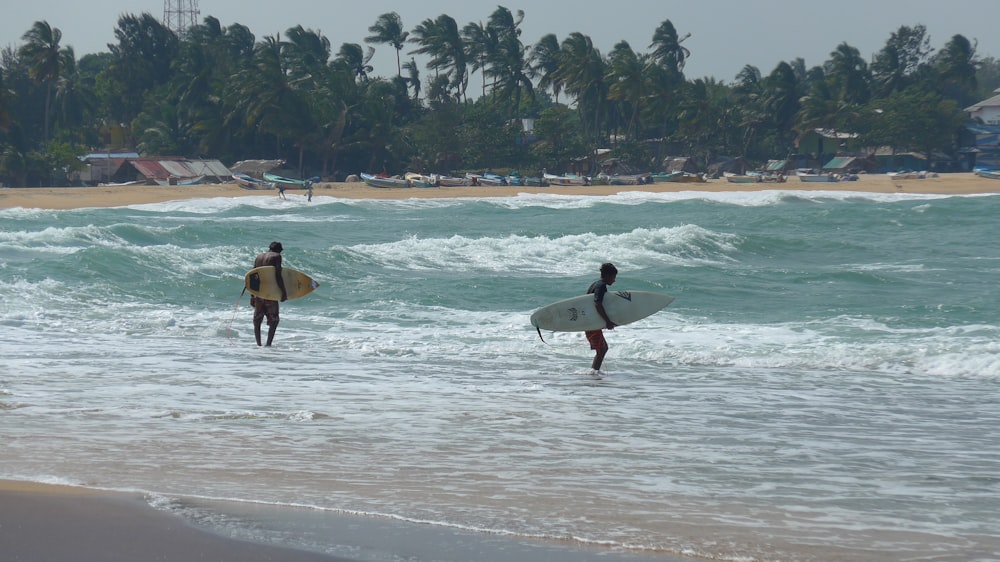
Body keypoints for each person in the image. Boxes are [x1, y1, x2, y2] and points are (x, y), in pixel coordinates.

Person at [585, 262, 618, 378]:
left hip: (590, 322)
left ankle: (594, 372)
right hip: (591, 323)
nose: (614, 280)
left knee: (602, 348)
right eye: (614, 277)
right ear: (608, 276)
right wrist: (607, 321)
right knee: (602, 348)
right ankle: (593, 373)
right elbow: (597, 303)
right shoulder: (601, 286)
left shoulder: (595, 284)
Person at [252, 241, 288, 346]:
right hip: (270, 293)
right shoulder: (277, 256)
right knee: (274, 320)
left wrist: (252, 295)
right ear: (279, 250)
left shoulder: (259, 257)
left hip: (259, 293)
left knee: (257, 319)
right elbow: (278, 275)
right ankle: (268, 344)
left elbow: (253, 276)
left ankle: (258, 344)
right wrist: (283, 292)